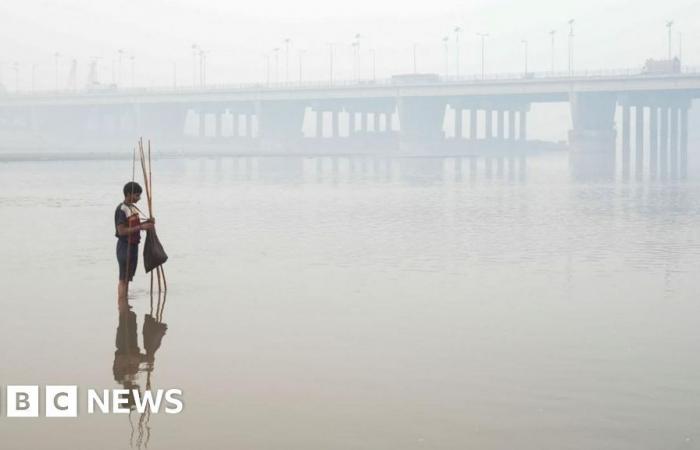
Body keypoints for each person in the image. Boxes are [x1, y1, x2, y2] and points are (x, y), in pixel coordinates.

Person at [115, 181, 154, 301]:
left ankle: (125, 305)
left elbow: (135, 226)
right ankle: (121, 303)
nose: (139, 198)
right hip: (124, 247)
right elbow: (121, 231)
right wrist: (141, 227)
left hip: (133, 247)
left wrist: (147, 223)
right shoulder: (122, 209)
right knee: (123, 279)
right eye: (137, 195)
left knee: (128, 278)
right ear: (128, 194)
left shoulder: (133, 208)